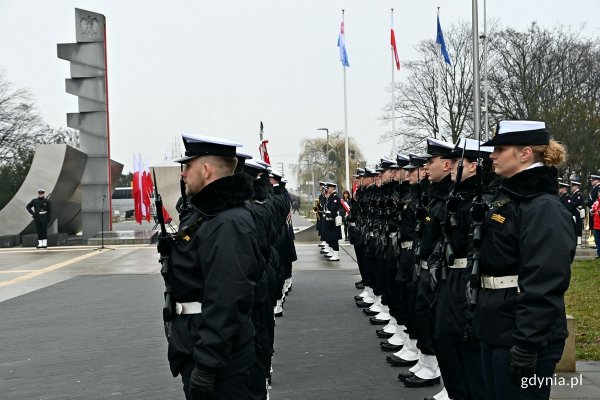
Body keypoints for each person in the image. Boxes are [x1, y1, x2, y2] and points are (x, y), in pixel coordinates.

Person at [474, 120, 575, 399]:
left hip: (522, 335)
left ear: (525, 153)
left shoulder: (543, 208)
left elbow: (545, 279)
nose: (492, 155)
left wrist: (528, 343)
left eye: (500, 148)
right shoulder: (511, 198)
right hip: (497, 325)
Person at [167, 134, 262, 400]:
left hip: (217, 353)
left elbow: (227, 297)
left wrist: (208, 364)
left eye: (189, 166)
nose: (184, 173)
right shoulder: (211, 217)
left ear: (206, 170)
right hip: (199, 341)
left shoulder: (227, 223)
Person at [570, 180, 584, 245]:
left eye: (573, 186)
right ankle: (575, 239)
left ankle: (579, 241)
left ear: (576, 186)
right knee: (575, 225)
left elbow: (576, 203)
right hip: (574, 212)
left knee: (578, 226)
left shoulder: (578, 194)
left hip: (577, 212)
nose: (571, 187)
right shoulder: (574, 194)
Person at [591, 192, 600, 258]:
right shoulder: (596, 203)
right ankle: (599, 254)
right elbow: (594, 210)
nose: (599, 194)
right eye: (599, 193)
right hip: (596, 225)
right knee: (597, 241)